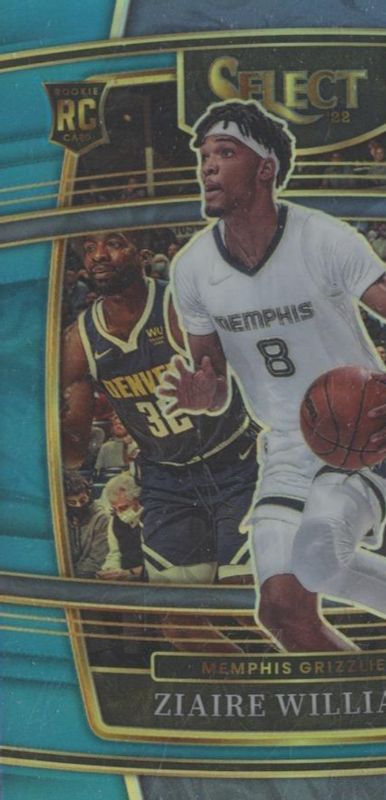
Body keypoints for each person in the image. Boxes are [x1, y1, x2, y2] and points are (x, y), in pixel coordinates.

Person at [158, 99, 386, 664]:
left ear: (265, 167)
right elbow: (215, 384)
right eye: (204, 156)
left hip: (362, 428)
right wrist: (204, 395)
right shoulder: (192, 268)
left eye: (225, 153)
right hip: (285, 442)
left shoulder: (322, 238)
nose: (208, 167)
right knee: (280, 610)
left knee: (320, 558)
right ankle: (380, 691)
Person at [60, 228, 259, 652]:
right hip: (167, 478)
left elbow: (234, 379)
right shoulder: (79, 340)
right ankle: (247, 687)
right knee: (178, 622)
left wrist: (211, 394)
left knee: (251, 601)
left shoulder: (180, 306)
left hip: (233, 463)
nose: (98, 255)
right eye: (89, 248)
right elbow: (74, 451)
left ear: (144, 255)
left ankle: (319, 674)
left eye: (114, 243)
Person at [97, 473, 145, 581]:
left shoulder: (151, 520)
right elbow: (114, 553)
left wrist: (130, 573)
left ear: (137, 500)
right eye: (115, 509)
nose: (119, 513)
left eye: (123, 507)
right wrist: (110, 569)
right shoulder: (114, 521)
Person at [64, 472, 109, 578]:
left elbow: (96, 560)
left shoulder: (102, 518)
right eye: (72, 502)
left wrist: (70, 577)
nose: (79, 505)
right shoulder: (61, 517)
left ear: (89, 495)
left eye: (83, 500)